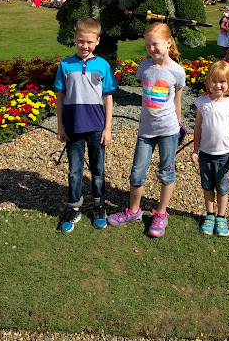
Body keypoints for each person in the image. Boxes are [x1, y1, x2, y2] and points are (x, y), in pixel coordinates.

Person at [107, 22, 186, 238]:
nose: (151, 49)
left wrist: (179, 127)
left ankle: (161, 213)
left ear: (168, 43)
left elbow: (177, 102)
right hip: (146, 131)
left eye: (155, 44)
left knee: (166, 173)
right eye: (148, 45)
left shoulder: (177, 72)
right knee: (137, 172)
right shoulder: (144, 67)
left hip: (168, 130)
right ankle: (134, 211)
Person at [55, 17, 118, 233]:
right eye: (81, 41)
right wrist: (60, 126)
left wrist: (107, 128)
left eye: (90, 42)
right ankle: (74, 208)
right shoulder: (65, 65)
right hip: (73, 127)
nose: (85, 46)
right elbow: (60, 97)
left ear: (97, 41)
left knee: (98, 170)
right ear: (75, 38)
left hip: (96, 127)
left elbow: (108, 97)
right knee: (74, 171)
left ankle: (99, 205)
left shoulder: (103, 65)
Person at [191, 60, 229, 237]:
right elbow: (198, 127)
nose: (218, 85)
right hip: (205, 154)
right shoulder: (202, 102)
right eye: (214, 81)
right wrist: (195, 150)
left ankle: (221, 217)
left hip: (224, 155)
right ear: (208, 82)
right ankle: (210, 215)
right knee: (207, 185)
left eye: (222, 81)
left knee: (222, 186)